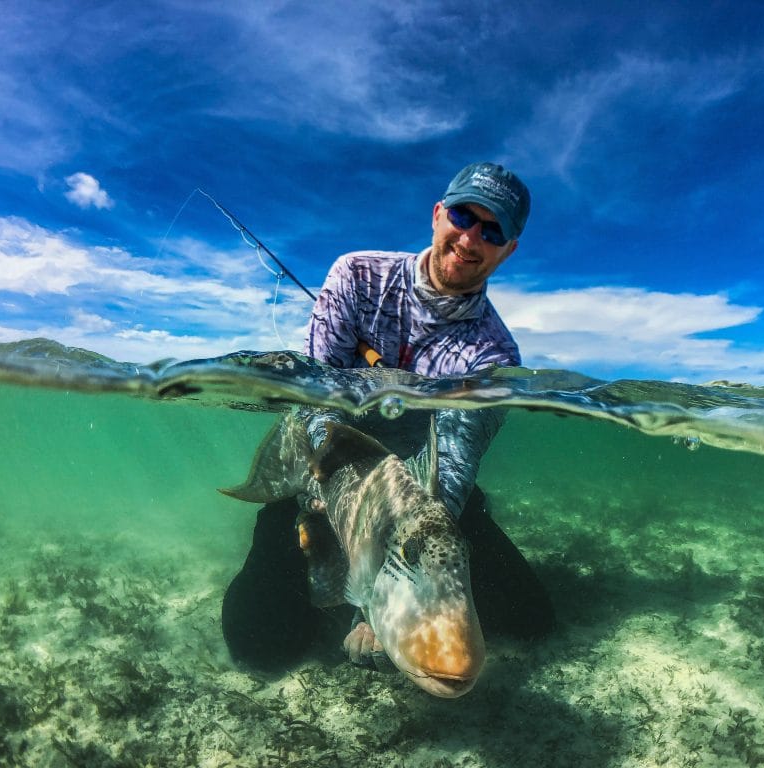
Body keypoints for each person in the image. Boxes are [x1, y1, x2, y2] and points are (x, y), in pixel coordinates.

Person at [222, 162, 555, 673]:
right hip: (322, 481)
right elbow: (315, 411)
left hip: (425, 499)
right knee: (259, 644)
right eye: (464, 217)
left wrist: (388, 590)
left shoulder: (495, 355)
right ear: (438, 214)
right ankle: (293, 541)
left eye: (493, 231)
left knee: (532, 619)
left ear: (509, 249)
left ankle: (365, 594)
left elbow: (455, 460)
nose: (471, 240)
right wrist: (361, 574)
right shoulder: (356, 275)